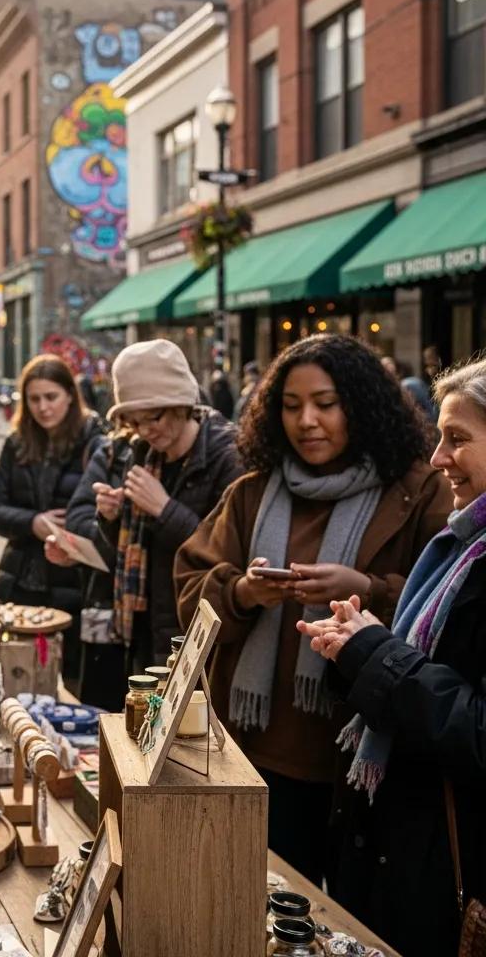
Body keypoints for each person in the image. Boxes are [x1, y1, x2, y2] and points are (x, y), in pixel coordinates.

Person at [175, 333, 451, 888]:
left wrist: (368, 588)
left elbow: (445, 607)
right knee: (254, 905)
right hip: (252, 753)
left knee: (345, 921)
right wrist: (243, 593)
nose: (307, 421)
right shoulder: (252, 491)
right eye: (291, 405)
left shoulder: (418, 491)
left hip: (363, 765)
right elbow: (189, 591)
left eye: (326, 404)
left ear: (362, 405)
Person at [295, 356, 486, 956]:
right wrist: (357, 647)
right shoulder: (462, 543)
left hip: (444, 870)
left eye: (458, 439)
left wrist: (377, 652)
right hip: (399, 853)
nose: (439, 457)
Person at [55, 340, 242, 710]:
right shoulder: (142, 453)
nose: (143, 430)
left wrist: (164, 508)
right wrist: (112, 519)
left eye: (153, 418)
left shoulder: (228, 455)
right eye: (133, 422)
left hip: (199, 636)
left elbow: (228, 557)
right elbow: (127, 552)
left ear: (181, 403)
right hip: (145, 631)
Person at [0, 355, 104, 691]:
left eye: (51, 397)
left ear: (70, 395)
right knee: (17, 680)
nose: (43, 407)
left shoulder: (95, 442)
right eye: (34, 399)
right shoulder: (17, 443)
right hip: (21, 580)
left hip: (75, 584)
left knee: (72, 686)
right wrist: (32, 522)